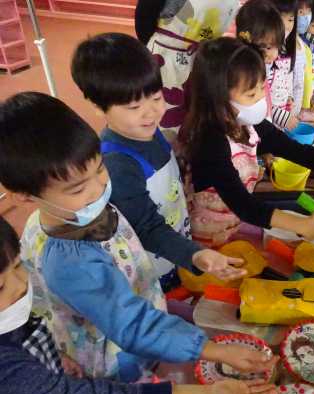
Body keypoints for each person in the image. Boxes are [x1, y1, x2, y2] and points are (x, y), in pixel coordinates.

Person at [0, 92, 278, 382]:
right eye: (78, 189)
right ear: (24, 196)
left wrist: (195, 254)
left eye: (100, 169)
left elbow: (145, 227)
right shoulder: (71, 263)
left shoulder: (80, 210)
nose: (99, 188)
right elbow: (132, 326)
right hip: (117, 354)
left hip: (146, 325)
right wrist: (213, 351)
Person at [0, 216, 276, 394]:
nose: (21, 285)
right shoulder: (10, 377)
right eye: (1, 286)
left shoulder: (11, 315)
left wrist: (54, 357)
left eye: (18, 266)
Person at [71, 32, 245, 291]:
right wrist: (194, 254)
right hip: (153, 267)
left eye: (156, 98)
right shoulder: (117, 163)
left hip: (175, 248)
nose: (152, 113)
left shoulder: (150, 132)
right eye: (134, 107)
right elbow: (146, 228)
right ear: (97, 105)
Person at [180, 37, 314, 246]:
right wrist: (302, 225)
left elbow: (296, 150)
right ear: (217, 98)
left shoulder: (249, 124)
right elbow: (242, 203)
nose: (261, 99)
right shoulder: (209, 142)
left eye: (262, 88)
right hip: (206, 235)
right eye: (251, 94)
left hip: (232, 223)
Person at [135, 0, 240, 142]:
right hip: (165, 57)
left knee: (196, 121)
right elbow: (145, 15)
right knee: (162, 120)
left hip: (203, 59)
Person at [235, 0, 299, 131]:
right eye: (268, 47)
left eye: (278, 47)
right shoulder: (243, 73)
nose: (275, 55)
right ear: (248, 42)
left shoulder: (263, 65)